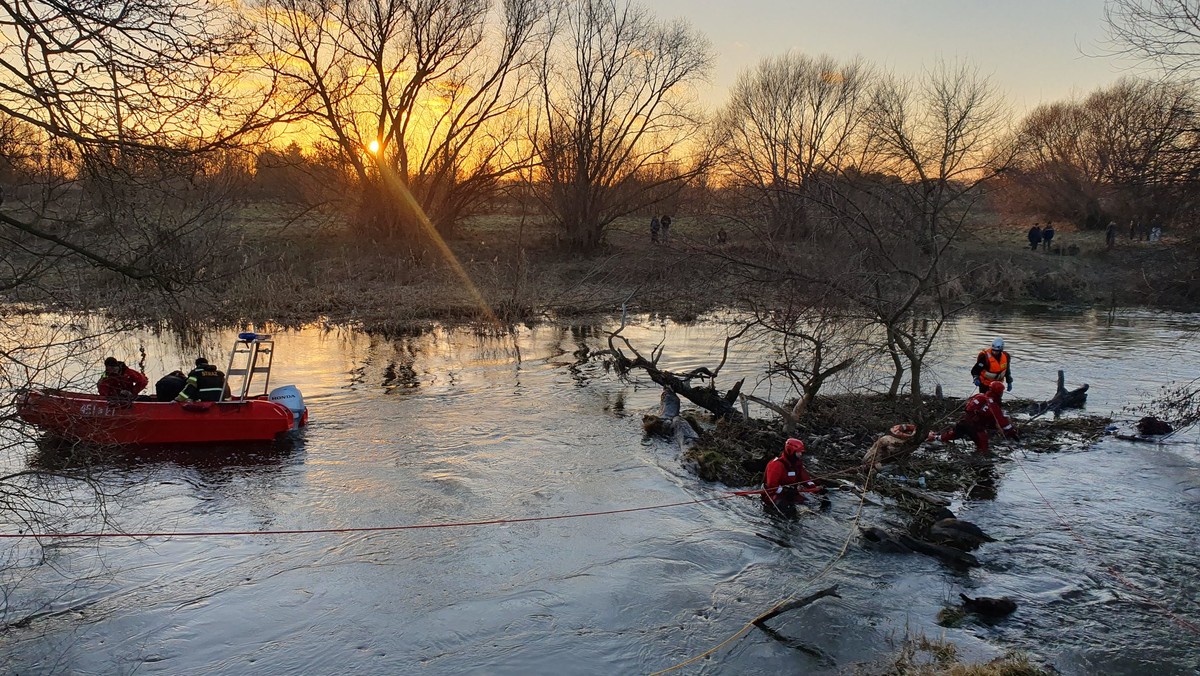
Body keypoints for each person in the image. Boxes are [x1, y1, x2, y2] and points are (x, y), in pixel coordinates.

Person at [928, 383, 1017, 455]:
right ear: (999, 393)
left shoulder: (979, 396)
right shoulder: (993, 404)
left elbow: (967, 406)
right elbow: (1001, 421)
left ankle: (936, 438)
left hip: (963, 422)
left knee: (955, 434)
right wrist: (1011, 433)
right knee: (983, 445)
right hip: (975, 427)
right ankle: (979, 460)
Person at [762, 438, 825, 512]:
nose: (800, 454)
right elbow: (772, 485)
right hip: (773, 494)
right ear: (790, 451)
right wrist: (785, 491)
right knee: (786, 508)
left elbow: (805, 479)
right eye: (798, 452)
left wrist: (815, 489)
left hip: (791, 493)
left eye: (801, 452)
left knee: (813, 504)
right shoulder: (776, 465)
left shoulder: (797, 464)